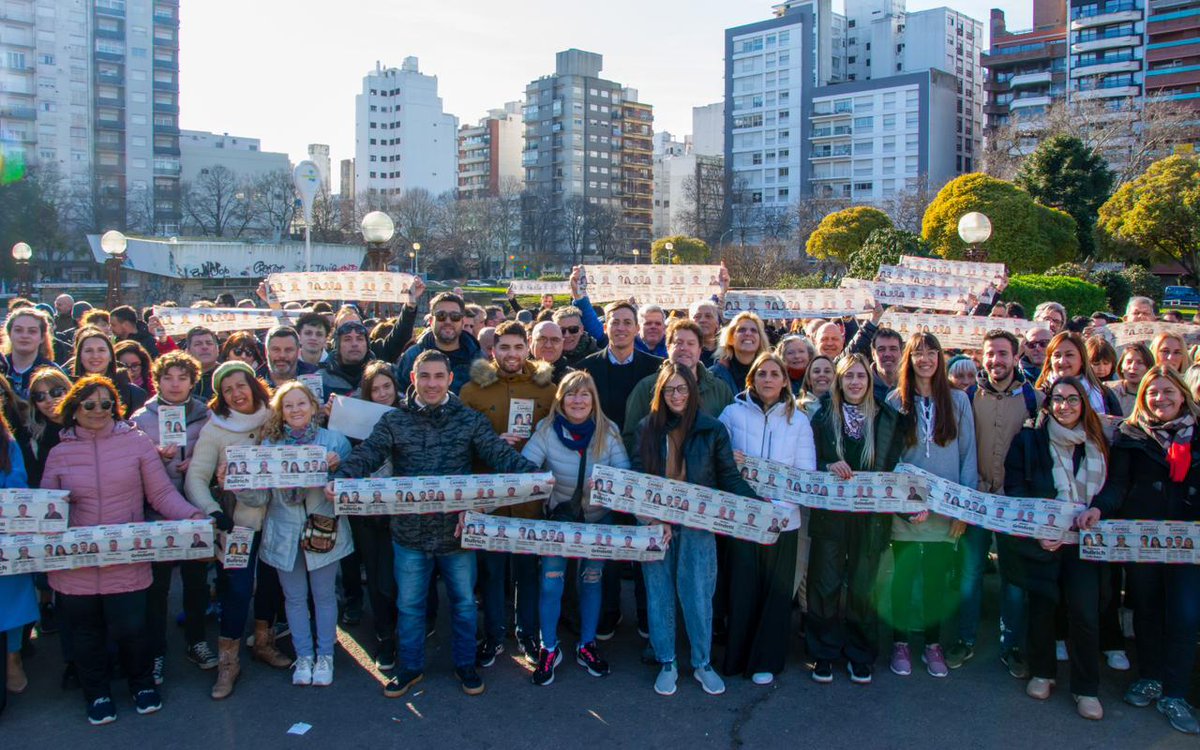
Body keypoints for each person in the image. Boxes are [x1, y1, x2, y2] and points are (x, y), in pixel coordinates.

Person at [331, 350, 540, 699]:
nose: (431, 384)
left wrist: (536, 476)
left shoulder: (468, 419)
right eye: (424, 376)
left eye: (439, 376)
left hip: (456, 535)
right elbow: (368, 453)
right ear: (413, 379)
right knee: (410, 607)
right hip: (409, 535)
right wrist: (341, 477)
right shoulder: (395, 421)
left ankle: (465, 665)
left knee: (463, 605)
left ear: (449, 379)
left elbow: (499, 454)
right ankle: (410, 668)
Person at [42, 375, 207, 725]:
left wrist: (193, 515)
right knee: (86, 635)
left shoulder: (136, 442)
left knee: (133, 629)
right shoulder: (59, 453)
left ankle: (141, 684)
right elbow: (47, 509)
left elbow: (160, 493)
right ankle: (97, 694)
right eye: (89, 404)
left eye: (106, 403)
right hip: (77, 565)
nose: (98, 410)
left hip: (126, 557)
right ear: (74, 409)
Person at [632, 362, 757, 698]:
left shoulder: (712, 429)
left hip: (698, 525)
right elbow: (638, 479)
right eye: (670, 389)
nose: (677, 395)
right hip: (656, 525)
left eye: (682, 388)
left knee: (698, 595)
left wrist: (759, 506)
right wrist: (654, 519)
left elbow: (728, 476)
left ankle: (702, 662)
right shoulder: (647, 429)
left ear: (692, 391)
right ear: (660, 393)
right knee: (659, 594)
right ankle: (667, 661)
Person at [1094, 366, 1200, 734]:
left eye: (1168, 391)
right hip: (1143, 541)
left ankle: (1176, 692)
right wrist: (1099, 509)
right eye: (1153, 393)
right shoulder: (1131, 435)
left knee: (1185, 615)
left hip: (1189, 546)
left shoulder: (1197, 434)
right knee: (1147, 610)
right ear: (1143, 398)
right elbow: (1117, 485)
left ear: (1182, 394)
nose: (1160, 398)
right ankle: (1151, 677)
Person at [1002, 377, 1110, 721]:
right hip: (1045, 540)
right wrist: (1038, 529)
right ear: (1048, 404)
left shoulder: (1100, 440)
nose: (1065, 406)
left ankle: (1086, 687)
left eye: (1073, 399)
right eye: (1058, 399)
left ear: (1084, 403)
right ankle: (1042, 672)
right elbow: (1016, 487)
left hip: (1086, 543)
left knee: (1084, 613)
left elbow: (1116, 485)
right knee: (1042, 609)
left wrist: (1100, 508)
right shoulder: (1029, 440)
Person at [185, 360, 290, 700]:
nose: (236, 393)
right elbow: (195, 478)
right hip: (237, 524)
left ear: (253, 385)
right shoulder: (215, 429)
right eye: (227, 389)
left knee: (271, 584)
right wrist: (213, 511)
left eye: (240, 385)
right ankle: (228, 662)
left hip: (277, 518)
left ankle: (263, 642)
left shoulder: (276, 416)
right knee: (237, 589)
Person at [235, 382, 351, 687]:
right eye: (288, 405)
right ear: (281, 412)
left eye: (301, 403)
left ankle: (325, 655)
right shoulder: (269, 447)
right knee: (294, 597)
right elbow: (260, 498)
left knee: (324, 596)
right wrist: (240, 484)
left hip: (323, 527)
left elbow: (351, 486)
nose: (296, 410)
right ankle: (304, 655)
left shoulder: (334, 441)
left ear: (313, 407)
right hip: (284, 531)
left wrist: (336, 472)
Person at [521, 371, 631, 685]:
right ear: (561, 399)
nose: (578, 400)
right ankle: (549, 647)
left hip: (597, 517)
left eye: (585, 394)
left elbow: (625, 473)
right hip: (560, 518)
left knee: (592, 580)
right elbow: (526, 465)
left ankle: (587, 644)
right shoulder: (546, 430)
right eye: (571, 394)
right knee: (551, 581)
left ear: (594, 400)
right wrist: (539, 479)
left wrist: (609, 483)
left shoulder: (608, 431)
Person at [460, 320, 555, 666]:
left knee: (527, 571)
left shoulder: (548, 389)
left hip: (530, 497)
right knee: (492, 573)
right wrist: (490, 444)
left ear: (528, 347)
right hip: (491, 496)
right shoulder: (472, 391)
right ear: (492, 350)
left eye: (518, 347)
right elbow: (460, 443)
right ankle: (494, 634)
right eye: (504, 348)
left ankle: (527, 634)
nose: (511, 354)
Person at [806, 354, 905, 685]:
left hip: (870, 516)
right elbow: (808, 460)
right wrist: (826, 466)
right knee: (825, 583)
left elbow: (895, 465)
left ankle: (860, 654)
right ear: (839, 380)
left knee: (864, 586)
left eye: (861, 376)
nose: (855, 382)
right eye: (848, 376)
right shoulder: (822, 416)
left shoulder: (887, 418)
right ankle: (823, 652)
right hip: (831, 514)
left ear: (869, 381)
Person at [718, 353, 815, 685]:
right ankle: (738, 655)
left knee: (775, 594)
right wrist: (728, 459)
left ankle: (766, 660)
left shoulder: (798, 420)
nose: (768, 379)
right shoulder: (731, 414)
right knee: (742, 589)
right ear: (752, 379)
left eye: (775, 374)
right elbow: (717, 461)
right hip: (743, 518)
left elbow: (805, 473)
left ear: (785, 381)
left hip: (782, 520)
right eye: (762, 374)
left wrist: (779, 507)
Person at [887, 332, 978, 679]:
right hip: (908, 508)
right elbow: (890, 458)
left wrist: (962, 509)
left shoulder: (958, 400)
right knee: (903, 576)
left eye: (931, 353)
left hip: (946, 508)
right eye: (918, 353)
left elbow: (967, 455)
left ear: (941, 358)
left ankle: (932, 643)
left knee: (936, 578)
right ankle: (899, 643)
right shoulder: (896, 400)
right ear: (908, 359)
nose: (925, 359)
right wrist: (905, 502)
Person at [954, 330, 1042, 677]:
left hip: (1014, 503)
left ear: (1016, 357)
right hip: (976, 499)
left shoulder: (1034, 399)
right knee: (969, 575)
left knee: (1014, 579)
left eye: (1003, 353)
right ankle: (964, 638)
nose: (996, 360)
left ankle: (1012, 646)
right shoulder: (967, 397)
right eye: (990, 354)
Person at [130, 351, 216, 681]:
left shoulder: (206, 415)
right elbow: (129, 462)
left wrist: (199, 460)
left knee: (196, 582)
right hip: (156, 512)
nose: (175, 384)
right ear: (157, 381)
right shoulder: (141, 418)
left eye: (183, 378)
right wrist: (152, 456)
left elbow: (219, 451)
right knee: (157, 587)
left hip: (195, 507)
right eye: (168, 377)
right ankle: (156, 651)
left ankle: (196, 641)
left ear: (193, 382)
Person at [0, 407, 32, 710]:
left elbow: (18, 483)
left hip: (5, 531)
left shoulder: (7, 442)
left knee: (10, 594)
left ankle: (13, 655)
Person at [396, 292, 483, 396]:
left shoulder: (478, 357)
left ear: (462, 322)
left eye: (455, 316)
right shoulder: (412, 356)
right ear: (431, 321)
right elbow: (400, 395)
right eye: (441, 315)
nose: (448, 321)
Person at [70, 327, 147, 417]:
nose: (95, 356)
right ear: (79, 356)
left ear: (111, 356)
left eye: (101, 350)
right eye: (88, 350)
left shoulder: (134, 394)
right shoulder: (68, 390)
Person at [26, 367, 72, 487]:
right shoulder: (32, 437)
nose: (49, 400)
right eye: (40, 396)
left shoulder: (86, 427)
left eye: (56, 392)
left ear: (69, 392)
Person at [3, 308, 61, 399]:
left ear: (42, 337)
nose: (24, 336)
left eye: (32, 331)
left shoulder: (53, 372)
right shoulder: (1, 366)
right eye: (18, 330)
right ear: (9, 334)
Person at [710, 312, 769, 396]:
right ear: (730, 338)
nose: (748, 333)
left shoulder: (770, 374)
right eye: (742, 330)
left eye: (754, 330)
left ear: (760, 340)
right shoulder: (714, 375)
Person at [1105, 342, 1152, 417]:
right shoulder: (1108, 390)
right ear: (1121, 366)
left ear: (1149, 368)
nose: (1133, 367)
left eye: (1140, 363)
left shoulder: (1154, 393)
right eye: (1129, 362)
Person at [184, 327, 221, 402]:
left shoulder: (227, 375)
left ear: (217, 350)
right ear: (187, 352)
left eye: (209, 343)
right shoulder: (180, 378)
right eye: (198, 344)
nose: (204, 347)